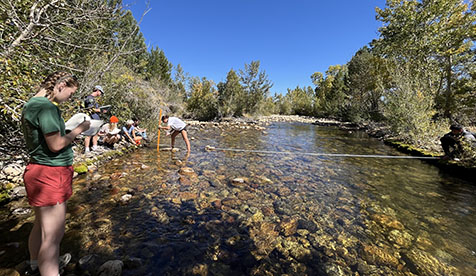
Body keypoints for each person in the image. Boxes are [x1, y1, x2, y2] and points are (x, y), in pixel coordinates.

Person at [21, 72, 90, 276]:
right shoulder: (46, 106)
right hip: (51, 174)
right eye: (70, 93)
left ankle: (36, 264)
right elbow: (56, 144)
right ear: (60, 85)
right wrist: (80, 129)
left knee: (41, 225)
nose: (70, 98)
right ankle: (49, 269)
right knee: (53, 237)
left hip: (37, 171)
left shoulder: (30, 104)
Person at [83, 85, 105, 153]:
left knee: (95, 133)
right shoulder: (89, 98)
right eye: (101, 92)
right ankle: (87, 149)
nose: (100, 94)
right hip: (91, 119)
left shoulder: (93, 99)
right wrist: (100, 110)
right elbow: (90, 109)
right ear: (98, 90)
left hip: (95, 119)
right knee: (88, 134)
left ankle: (95, 147)